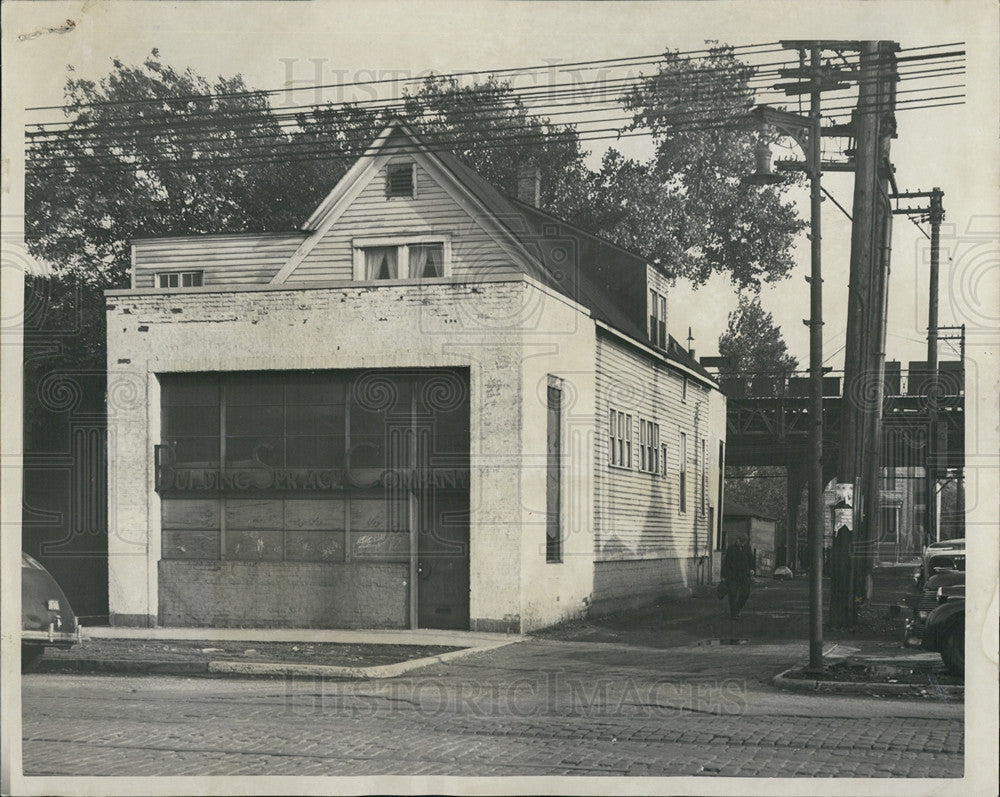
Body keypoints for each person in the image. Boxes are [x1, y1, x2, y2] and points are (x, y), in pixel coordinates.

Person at [721, 534, 755, 620]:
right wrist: (724, 576)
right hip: (732, 575)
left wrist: (752, 569)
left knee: (745, 593)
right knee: (732, 594)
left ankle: (738, 607)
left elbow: (751, 559)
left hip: (744, 575)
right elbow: (727, 563)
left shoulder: (747, 548)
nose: (742, 544)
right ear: (738, 540)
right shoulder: (731, 549)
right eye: (741, 542)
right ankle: (734, 614)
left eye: (744, 543)